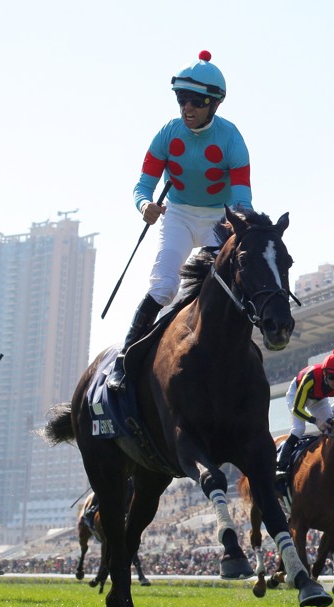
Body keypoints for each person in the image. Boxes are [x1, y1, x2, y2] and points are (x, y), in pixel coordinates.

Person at [108, 50, 253, 390]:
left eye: (196, 102)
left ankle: (233, 357)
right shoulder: (168, 133)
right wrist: (144, 205)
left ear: (214, 104)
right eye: (182, 100)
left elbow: (242, 198)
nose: (187, 109)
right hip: (178, 215)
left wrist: (239, 222)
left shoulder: (232, 139)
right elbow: (143, 185)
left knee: (226, 287)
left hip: (219, 218)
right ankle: (125, 360)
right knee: (163, 287)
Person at [277, 350, 334, 477]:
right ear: (324, 373)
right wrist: (316, 421)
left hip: (319, 399)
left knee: (331, 429)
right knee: (299, 429)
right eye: (333, 377)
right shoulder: (310, 378)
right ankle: (280, 466)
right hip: (297, 394)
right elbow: (297, 409)